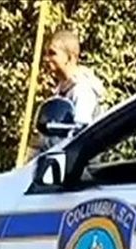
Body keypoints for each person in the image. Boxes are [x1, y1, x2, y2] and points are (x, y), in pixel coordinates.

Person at [29, 29, 105, 159]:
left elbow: (78, 136)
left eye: (52, 53)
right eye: (46, 54)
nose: (46, 59)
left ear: (70, 58)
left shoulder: (82, 90)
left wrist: (46, 144)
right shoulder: (62, 90)